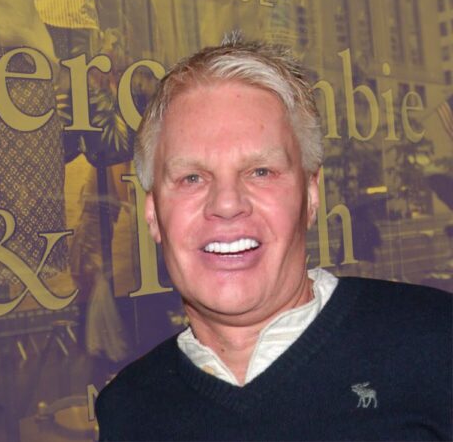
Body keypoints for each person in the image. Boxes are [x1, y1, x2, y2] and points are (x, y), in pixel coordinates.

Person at [95, 36, 452, 441]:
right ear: (153, 214)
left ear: (311, 195)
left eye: (260, 172)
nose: (227, 204)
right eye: (191, 177)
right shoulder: (128, 410)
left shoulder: (437, 345)